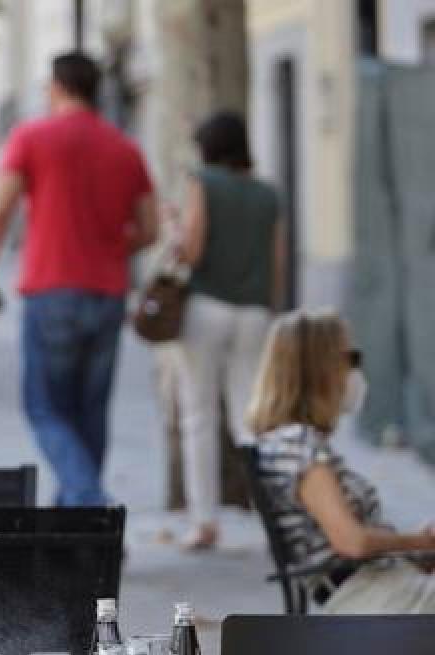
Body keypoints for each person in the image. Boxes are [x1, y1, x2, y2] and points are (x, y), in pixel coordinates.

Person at [0, 51, 157, 506]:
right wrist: (110, 247)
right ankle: (78, 523)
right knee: (91, 409)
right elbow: (150, 228)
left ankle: (89, 501)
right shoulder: (125, 147)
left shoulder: (32, 137)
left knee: (45, 406)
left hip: (51, 289)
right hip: (108, 292)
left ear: (56, 87)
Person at [251, 310, 435, 613]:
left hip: (380, 586)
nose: (356, 371)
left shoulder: (287, 443)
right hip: (373, 596)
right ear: (318, 369)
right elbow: (351, 543)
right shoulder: (297, 444)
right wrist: (417, 541)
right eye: (351, 358)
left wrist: (416, 551)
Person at [170, 111, 285, 550]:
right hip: (254, 312)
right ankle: (274, 516)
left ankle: (204, 523)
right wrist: (267, 308)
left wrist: (176, 230)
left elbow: (193, 250)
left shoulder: (203, 182)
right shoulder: (267, 194)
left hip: (206, 307)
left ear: (208, 147)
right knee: (250, 418)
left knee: (199, 415)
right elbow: (277, 262)